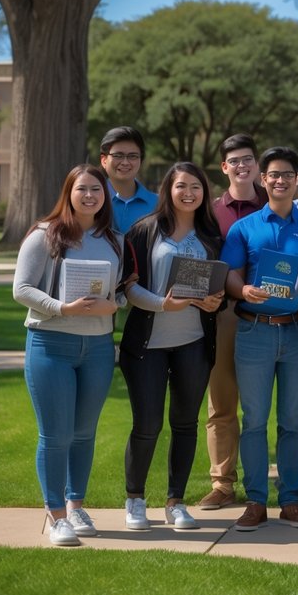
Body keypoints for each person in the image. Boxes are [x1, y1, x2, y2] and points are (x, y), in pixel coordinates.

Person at [13, 165, 124, 546]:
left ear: (105, 195)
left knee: (84, 433)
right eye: (82, 189)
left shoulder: (114, 239)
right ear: (69, 193)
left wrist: (115, 305)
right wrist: (62, 308)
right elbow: (22, 289)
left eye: (97, 189)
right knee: (56, 434)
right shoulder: (45, 235)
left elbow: (120, 291)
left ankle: (76, 506)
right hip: (50, 345)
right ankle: (56, 514)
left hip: (96, 348)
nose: (90, 195)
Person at [222, 146, 298, 532]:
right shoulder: (243, 228)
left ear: (297, 179)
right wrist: (243, 290)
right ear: (262, 180)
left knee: (293, 421)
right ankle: (255, 500)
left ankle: (291, 498)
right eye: (273, 175)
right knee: (253, 421)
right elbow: (231, 274)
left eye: (287, 175)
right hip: (253, 330)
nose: (280, 181)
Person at [119, 162, 225, 532]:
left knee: (185, 424)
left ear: (204, 193)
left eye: (196, 187)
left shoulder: (211, 236)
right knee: (146, 425)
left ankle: (175, 502)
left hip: (193, 344)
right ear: (169, 189)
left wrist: (215, 301)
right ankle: (135, 499)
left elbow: (218, 288)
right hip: (147, 344)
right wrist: (164, 304)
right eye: (182, 186)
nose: (189, 193)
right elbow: (128, 288)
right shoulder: (145, 231)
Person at [200, 133, 266, 511]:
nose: (242, 166)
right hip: (224, 315)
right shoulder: (210, 212)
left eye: (248, 160)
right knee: (222, 403)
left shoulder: (274, 203)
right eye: (234, 161)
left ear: (257, 165)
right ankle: (222, 483)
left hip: (267, 317)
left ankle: (275, 483)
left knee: (263, 408)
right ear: (224, 167)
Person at [99, 126, 157, 233]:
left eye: (132, 156)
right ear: (104, 160)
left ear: (141, 161)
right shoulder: (91, 200)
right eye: (118, 155)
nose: (125, 162)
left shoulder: (159, 204)